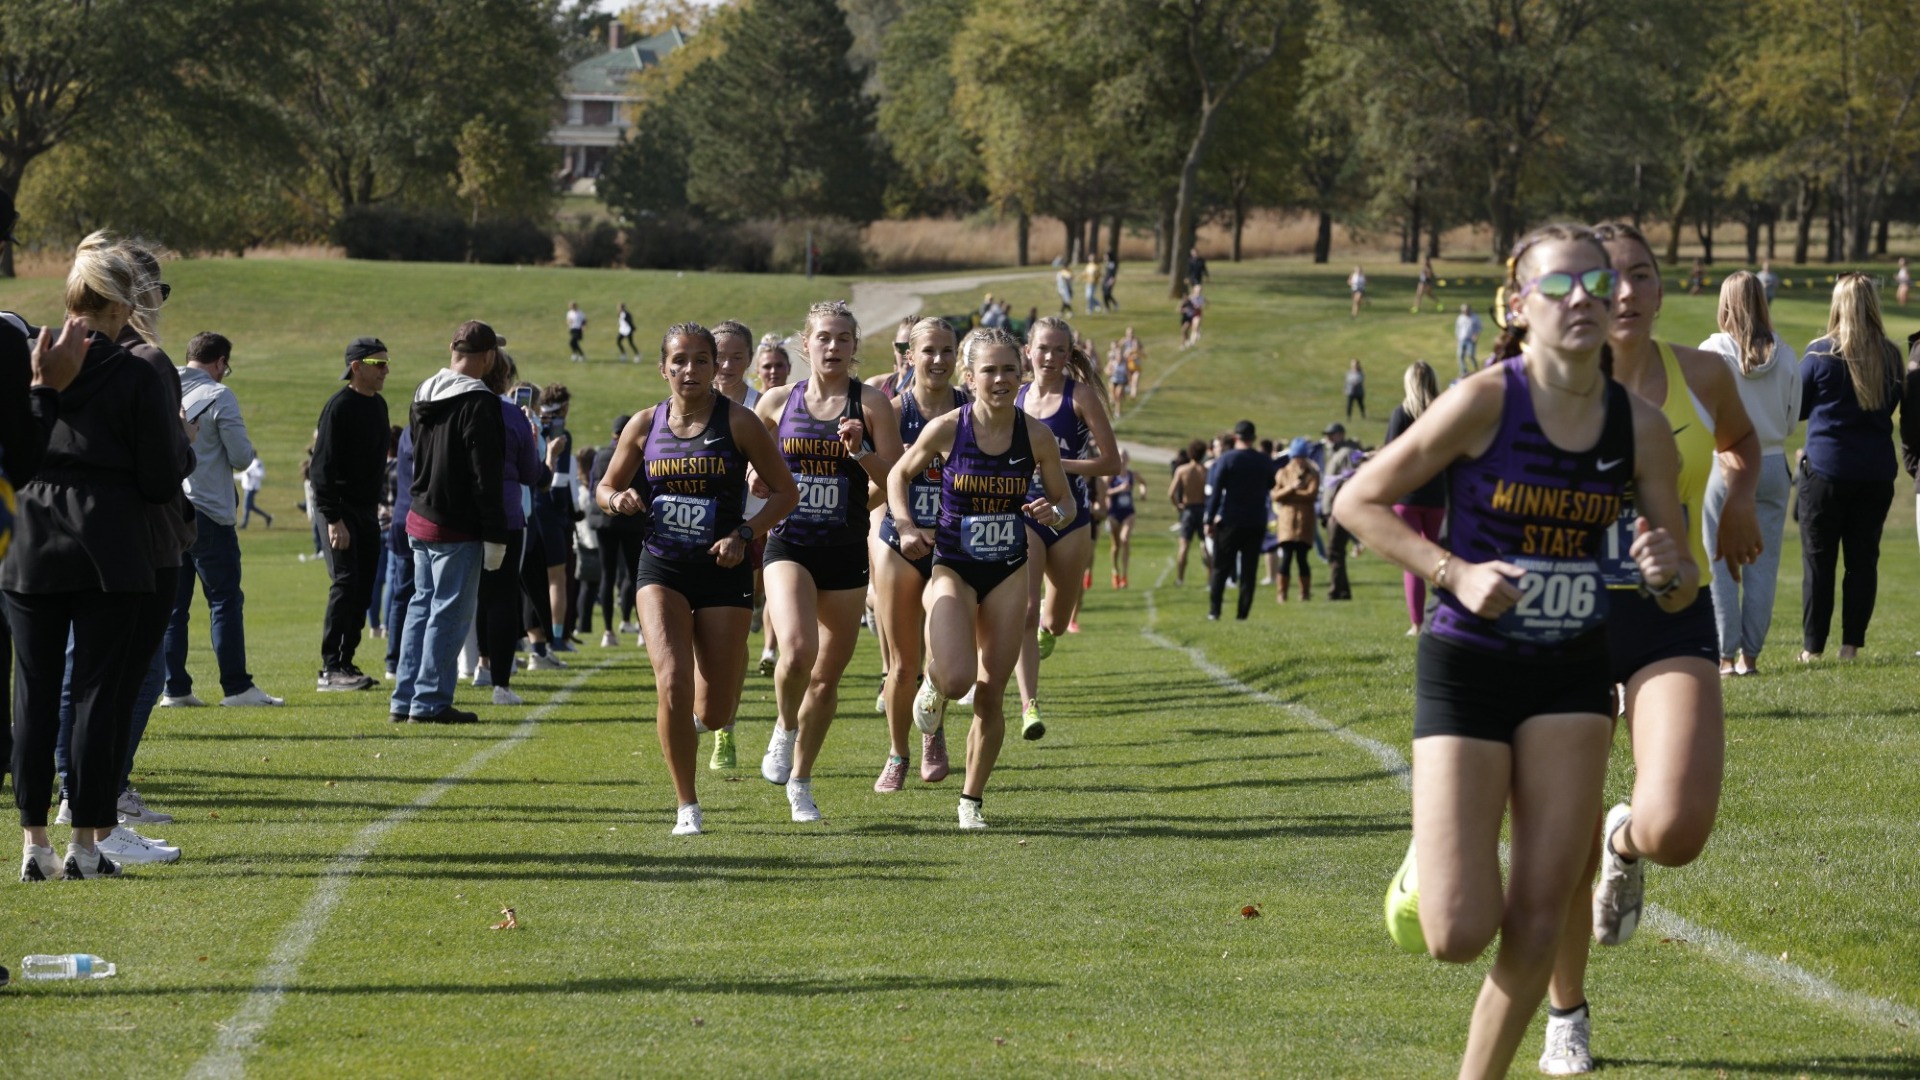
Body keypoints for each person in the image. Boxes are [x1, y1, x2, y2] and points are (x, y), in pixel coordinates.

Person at [1339, 222, 1695, 1080]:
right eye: (1558, 285)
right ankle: (1440, 848)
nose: (1583, 299)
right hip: (1469, 667)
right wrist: (1453, 572)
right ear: (1517, 305)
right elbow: (1357, 500)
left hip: (1572, 673)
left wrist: (1665, 568)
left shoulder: (1640, 427)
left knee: (1539, 917)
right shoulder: (1483, 402)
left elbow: (1681, 585)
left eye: (1596, 284)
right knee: (1457, 934)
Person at [1538, 220, 1764, 1075]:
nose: (1625, 292)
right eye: (1608, 278)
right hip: (1562, 622)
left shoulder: (1701, 374)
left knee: (1678, 828)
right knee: (1558, 838)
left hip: (1669, 612)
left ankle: (1625, 843)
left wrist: (1736, 502)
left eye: (1641, 274)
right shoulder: (1539, 386)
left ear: (1663, 289)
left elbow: (1742, 444)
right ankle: (1566, 1015)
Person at [7, 233, 189, 881]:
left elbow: (16, 451)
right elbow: (161, 481)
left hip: (31, 539)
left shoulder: (31, 357)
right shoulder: (136, 372)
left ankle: (33, 843)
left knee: (33, 693)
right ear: (118, 305)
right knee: (97, 695)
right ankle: (85, 843)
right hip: (109, 543)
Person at [597, 323, 797, 835]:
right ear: (663, 368)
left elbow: (785, 493)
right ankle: (687, 805)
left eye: (701, 360)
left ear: (715, 366)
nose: (690, 370)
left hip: (722, 570)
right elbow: (605, 486)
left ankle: (700, 721)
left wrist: (745, 533)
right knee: (672, 682)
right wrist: (617, 499)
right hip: (661, 566)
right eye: (680, 361)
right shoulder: (645, 424)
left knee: (713, 710)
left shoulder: (740, 422)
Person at [891, 327, 1074, 830]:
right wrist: (904, 526)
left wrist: (1054, 513)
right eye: (989, 370)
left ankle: (970, 800)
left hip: (1009, 569)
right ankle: (934, 685)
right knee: (957, 679)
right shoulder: (948, 429)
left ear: (1022, 374)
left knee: (991, 694)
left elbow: (1066, 503)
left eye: (1009, 369)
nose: (1000, 379)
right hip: (953, 566)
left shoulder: (1036, 435)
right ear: (969, 377)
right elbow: (898, 474)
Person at [753, 300, 902, 823]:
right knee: (796, 651)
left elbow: (896, 479)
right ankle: (783, 727)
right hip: (790, 543)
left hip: (844, 548)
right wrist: (757, 478)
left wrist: (860, 452)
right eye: (824, 337)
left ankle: (801, 781)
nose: (833, 346)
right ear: (806, 344)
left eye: (843, 338)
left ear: (855, 346)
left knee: (824, 680)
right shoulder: (777, 401)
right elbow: (751, 456)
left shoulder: (872, 404)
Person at [388, 321, 508, 726]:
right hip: (457, 522)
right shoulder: (480, 401)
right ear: (487, 356)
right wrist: (496, 534)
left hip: (420, 513)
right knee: (448, 613)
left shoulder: (423, 390)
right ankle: (429, 701)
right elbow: (485, 475)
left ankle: (405, 697)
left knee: (421, 608)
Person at [870, 317, 968, 793]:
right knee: (902, 664)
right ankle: (898, 753)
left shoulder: (973, 411)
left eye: (947, 350)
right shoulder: (892, 412)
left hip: (954, 547)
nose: (938, 360)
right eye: (928, 350)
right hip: (901, 542)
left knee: (942, 658)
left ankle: (933, 726)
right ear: (910, 356)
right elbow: (873, 490)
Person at [1013, 317, 1121, 739]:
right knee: (1026, 609)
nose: (1050, 357)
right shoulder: (1015, 395)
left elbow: (1111, 463)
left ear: (1069, 354)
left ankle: (1049, 629)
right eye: (1043, 348)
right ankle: (1029, 706)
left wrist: (1055, 464)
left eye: (1059, 350)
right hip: (1025, 513)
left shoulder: (1080, 396)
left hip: (1070, 516)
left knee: (1055, 620)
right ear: (1028, 351)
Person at [162, 331, 283, 708]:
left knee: (174, 607)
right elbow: (243, 457)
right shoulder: (219, 394)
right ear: (219, 362)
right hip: (209, 511)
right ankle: (236, 687)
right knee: (224, 600)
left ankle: (175, 688)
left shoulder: (164, 389)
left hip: (169, 510)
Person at [1796, 272, 1903, 663]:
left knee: (1819, 562)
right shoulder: (1890, 356)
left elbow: (1797, 408)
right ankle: (1850, 646)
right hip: (1875, 473)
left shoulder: (1819, 355)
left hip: (1826, 471)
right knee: (1862, 562)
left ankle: (1813, 648)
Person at [1700, 272, 1800, 675]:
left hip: (1725, 461)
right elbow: (1791, 420)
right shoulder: (1786, 354)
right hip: (1772, 461)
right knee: (1764, 562)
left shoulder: (1711, 350)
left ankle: (1725, 656)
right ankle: (1750, 656)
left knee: (1719, 561)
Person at [310, 336, 392, 692]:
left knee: (363, 586)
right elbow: (321, 469)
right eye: (378, 364)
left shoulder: (379, 405)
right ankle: (330, 668)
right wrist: (333, 518)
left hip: (366, 511)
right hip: (339, 511)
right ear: (356, 367)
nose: (385, 370)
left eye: (387, 363)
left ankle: (347, 661)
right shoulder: (339, 407)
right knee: (344, 584)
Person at [472, 364, 550, 706]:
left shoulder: (456, 408)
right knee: (502, 597)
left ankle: (478, 664)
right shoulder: (513, 416)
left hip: (462, 515)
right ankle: (499, 682)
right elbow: (531, 473)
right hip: (505, 514)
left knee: (471, 596)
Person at [1386, 361, 1445, 634]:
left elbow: (1391, 455)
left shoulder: (1402, 413)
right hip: (1438, 493)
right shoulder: (1444, 410)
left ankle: (1417, 624)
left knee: (1412, 562)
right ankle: (1445, 618)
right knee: (1441, 561)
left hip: (1408, 495)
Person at [1204, 420, 1275, 620]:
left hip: (1230, 519)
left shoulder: (1227, 459)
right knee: (1249, 570)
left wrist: (1209, 519)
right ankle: (1242, 614)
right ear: (1253, 438)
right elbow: (1271, 483)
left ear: (1236, 437)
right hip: (1256, 520)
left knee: (1221, 568)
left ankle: (1215, 611)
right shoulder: (1263, 460)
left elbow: (1216, 492)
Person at [590, 414, 645, 645]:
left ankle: (608, 632)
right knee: (635, 574)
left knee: (608, 574)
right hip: (632, 521)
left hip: (605, 521)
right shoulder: (638, 454)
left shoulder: (601, 454)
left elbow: (594, 486)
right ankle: (642, 628)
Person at [1270, 437, 1318, 603]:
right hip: (1287, 522)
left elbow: (1311, 495)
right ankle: (1281, 593)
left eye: (1302, 457)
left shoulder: (1312, 473)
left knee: (1302, 558)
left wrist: (1291, 495)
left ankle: (1305, 593)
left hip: (1305, 520)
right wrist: (1291, 488)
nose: (1300, 461)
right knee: (1286, 558)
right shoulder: (1283, 473)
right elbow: (1275, 495)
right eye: (1297, 457)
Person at [1170, 438, 1210, 585]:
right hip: (1202, 508)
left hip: (1188, 509)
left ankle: (1180, 578)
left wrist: (1177, 505)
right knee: (1206, 545)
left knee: (1184, 545)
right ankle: (1210, 578)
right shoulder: (1206, 471)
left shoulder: (1182, 470)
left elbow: (1171, 493)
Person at [1106, 451, 1137, 588]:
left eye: (1124, 457)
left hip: (1128, 513)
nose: (1122, 459)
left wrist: (1143, 491)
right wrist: (1119, 489)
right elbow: (1104, 491)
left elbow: (1143, 483)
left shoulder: (1131, 474)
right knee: (1116, 546)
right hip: (1114, 514)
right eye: (1120, 456)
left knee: (1124, 539)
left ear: (1128, 459)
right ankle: (1115, 572)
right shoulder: (1111, 476)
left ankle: (1125, 575)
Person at [236, 457, 272, 527]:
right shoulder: (248, 463)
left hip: (252, 488)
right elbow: (243, 475)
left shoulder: (257, 463)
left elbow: (261, 474)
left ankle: (244, 524)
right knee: (251, 506)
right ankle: (268, 517)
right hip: (247, 488)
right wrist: (232, 476)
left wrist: (251, 474)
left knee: (246, 506)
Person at [1455, 304, 1483, 377]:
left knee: (1471, 355)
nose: (1465, 312)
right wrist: (1457, 338)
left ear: (1469, 310)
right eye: (1463, 311)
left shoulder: (1475, 317)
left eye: (1466, 310)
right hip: (1462, 339)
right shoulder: (1460, 318)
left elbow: (1479, 327)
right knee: (1460, 356)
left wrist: (1476, 335)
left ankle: (1476, 369)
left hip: (1470, 339)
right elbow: (1457, 328)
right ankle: (1464, 371)